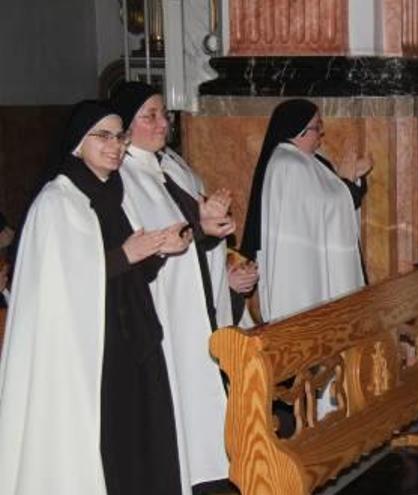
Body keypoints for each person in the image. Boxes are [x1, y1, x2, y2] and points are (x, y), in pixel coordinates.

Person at [0, 101, 188, 494]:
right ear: (77, 143)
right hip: (88, 347)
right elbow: (60, 282)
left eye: (119, 136)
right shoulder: (57, 201)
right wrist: (127, 255)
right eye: (102, 135)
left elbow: (126, 273)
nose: (115, 145)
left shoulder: (110, 193)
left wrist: (157, 250)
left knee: (140, 441)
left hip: (129, 337)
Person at [111, 82, 233, 492]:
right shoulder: (123, 179)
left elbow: (185, 231)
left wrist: (208, 228)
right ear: (125, 127)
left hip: (184, 306)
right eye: (151, 115)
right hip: (159, 310)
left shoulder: (159, 169)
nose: (163, 123)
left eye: (164, 114)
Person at [241, 99, 370, 321]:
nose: (321, 134)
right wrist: (348, 181)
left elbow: (326, 199)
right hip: (299, 270)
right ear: (299, 130)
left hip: (311, 259)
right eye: (317, 127)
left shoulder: (307, 160)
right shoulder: (289, 164)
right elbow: (327, 205)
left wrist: (352, 179)